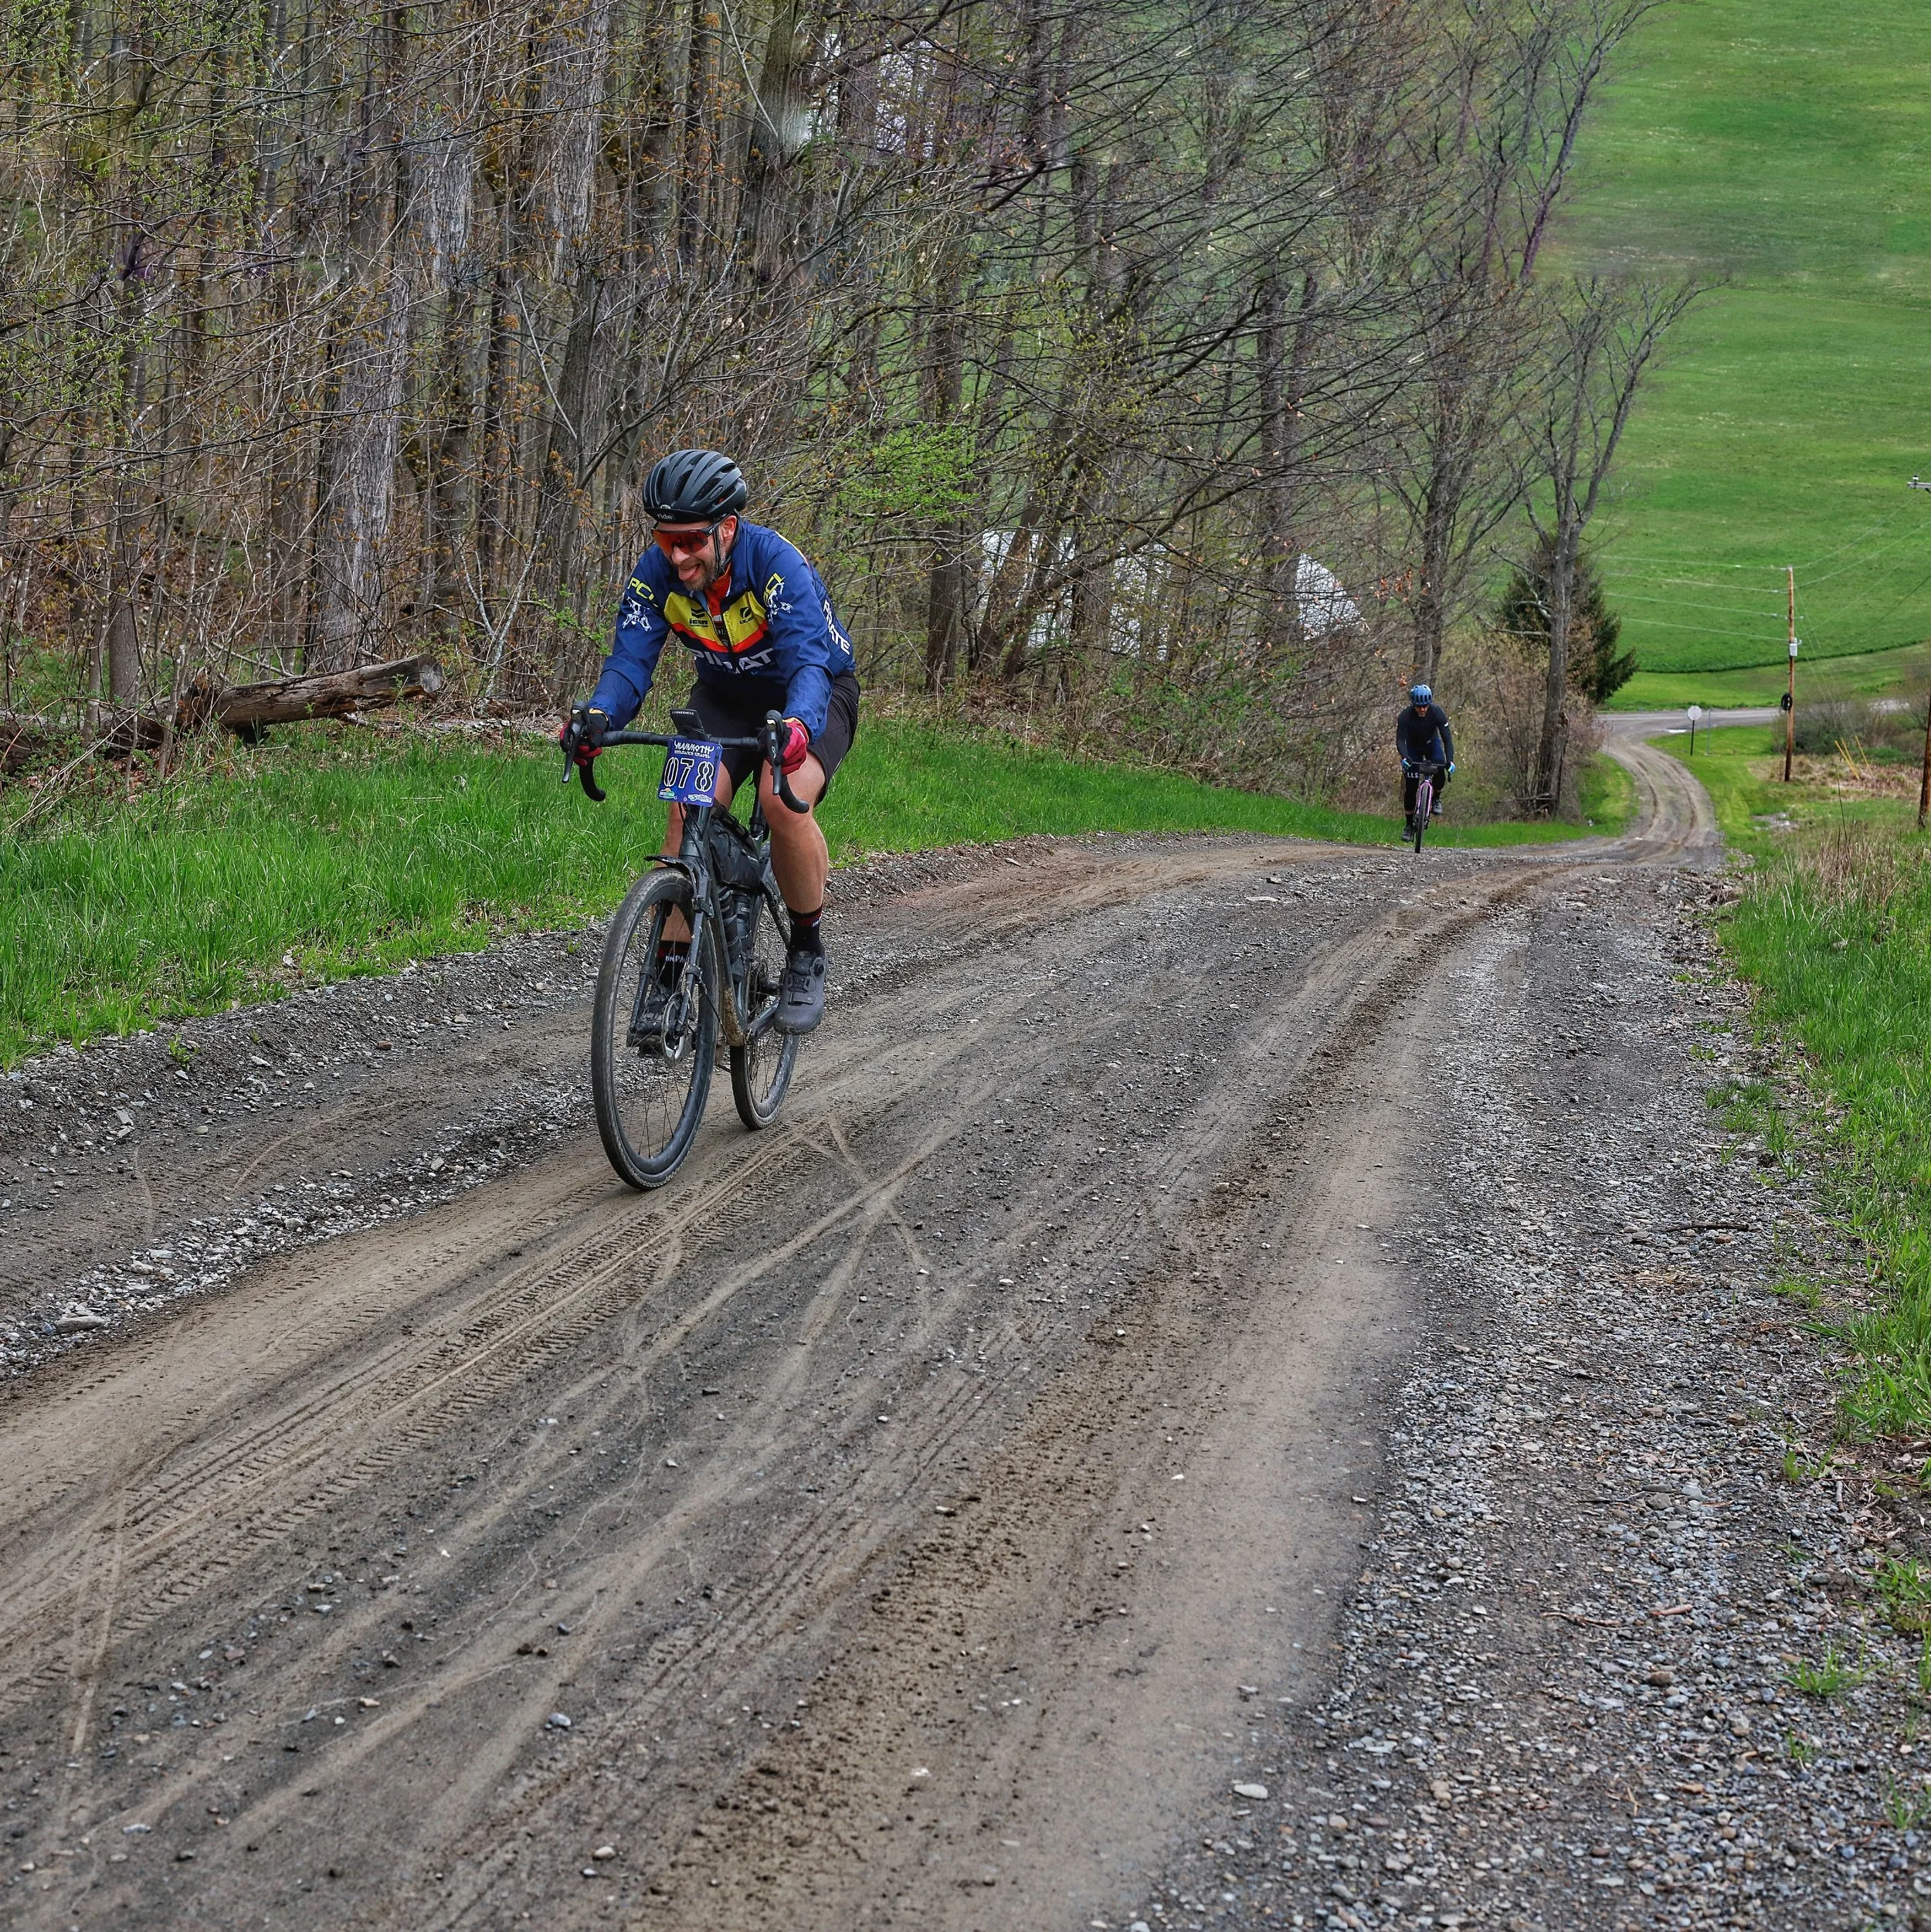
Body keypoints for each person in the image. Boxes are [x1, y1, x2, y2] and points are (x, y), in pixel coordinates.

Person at [564, 448, 860, 1036]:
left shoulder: (776, 566)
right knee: (685, 809)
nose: (676, 556)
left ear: (727, 528)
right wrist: (598, 715)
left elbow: (808, 662)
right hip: (725, 695)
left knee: (781, 800)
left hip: (813, 695)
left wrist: (799, 725)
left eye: (690, 541)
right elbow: (629, 661)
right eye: (665, 539)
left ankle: (806, 948)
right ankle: (669, 973)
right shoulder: (657, 573)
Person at [1396, 682, 1455, 833]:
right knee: (1411, 788)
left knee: (1440, 765)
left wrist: (1450, 760)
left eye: (1425, 706)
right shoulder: (1405, 716)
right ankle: (1409, 826)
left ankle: (1436, 798)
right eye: (1418, 706)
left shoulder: (1437, 713)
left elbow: (1447, 738)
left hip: (1431, 744)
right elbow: (1400, 740)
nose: (1422, 709)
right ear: (1413, 704)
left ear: (1429, 703)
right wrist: (1405, 757)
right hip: (1413, 747)